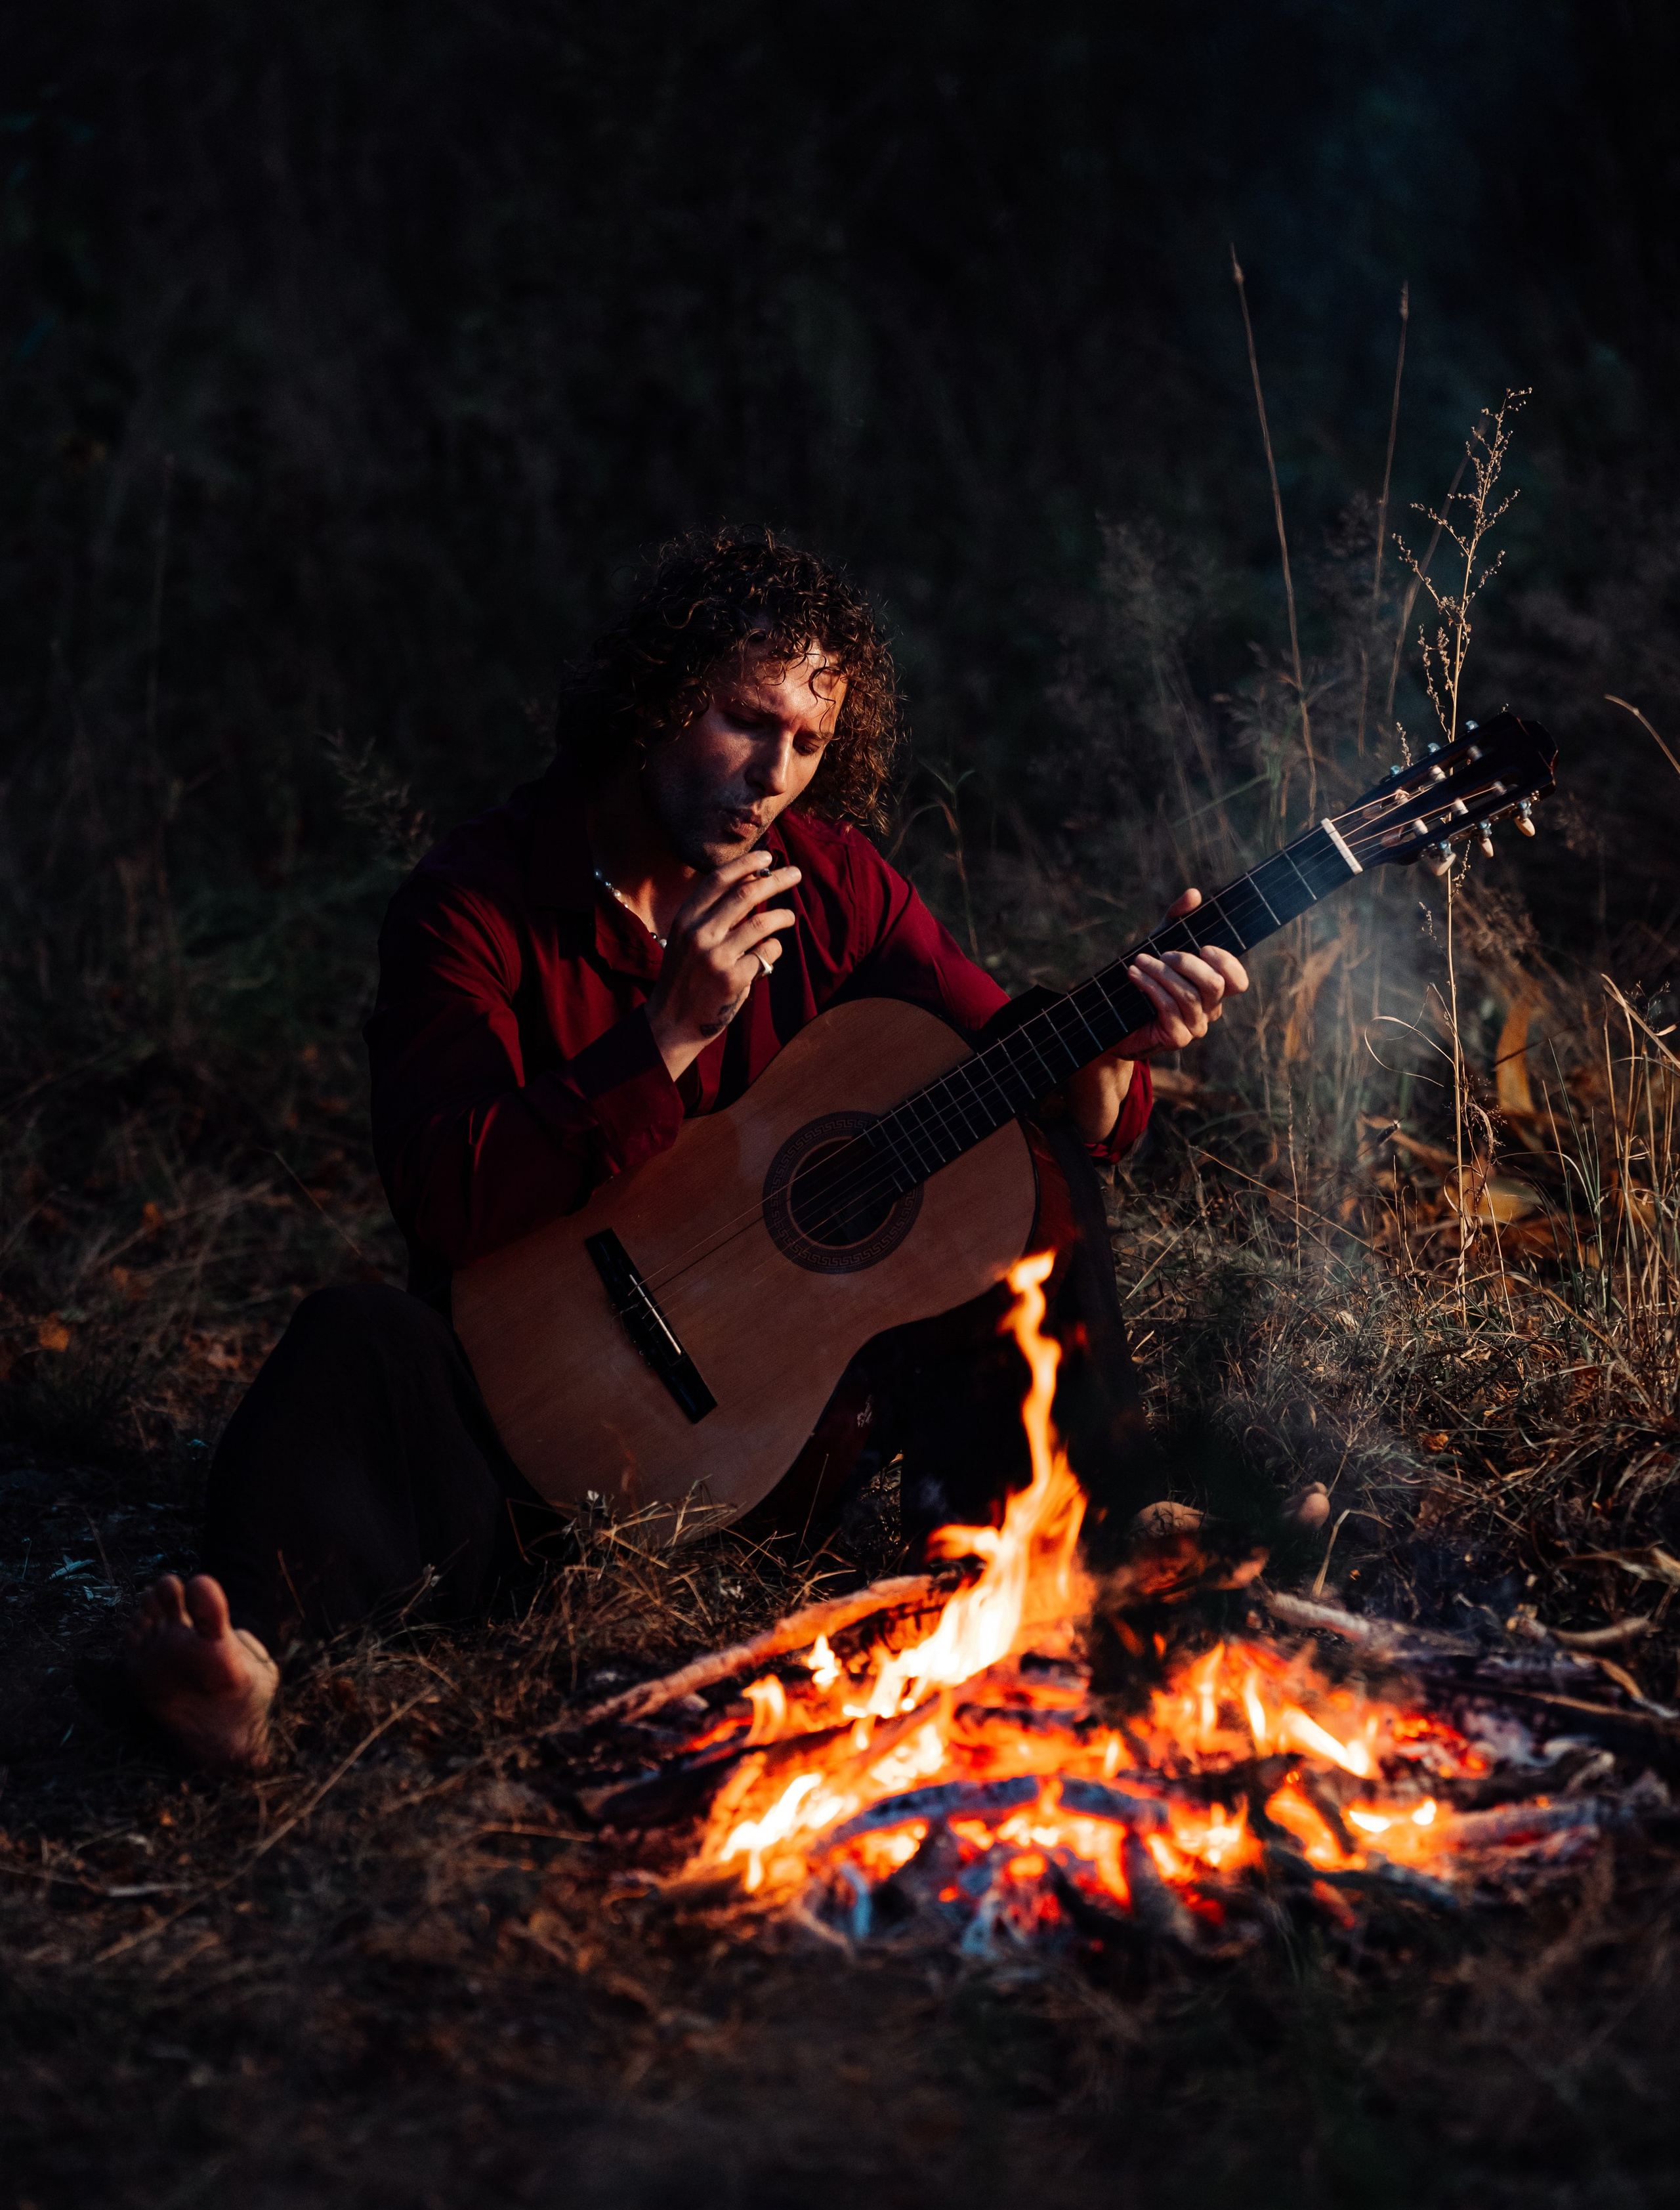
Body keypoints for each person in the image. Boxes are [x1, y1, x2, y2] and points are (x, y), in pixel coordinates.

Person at [124, 532, 1260, 1772]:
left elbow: (1010, 1069)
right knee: (353, 1340)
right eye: (744, 720)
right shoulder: (476, 904)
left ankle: (1095, 1555)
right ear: (653, 694)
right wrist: (663, 1038)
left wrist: (1108, 1053)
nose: (773, 775)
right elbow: (445, 1196)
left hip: (765, 1451)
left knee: (1031, 1178)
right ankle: (241, 1675)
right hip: (522, 1437)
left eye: (810, 745)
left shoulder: (835, 886)